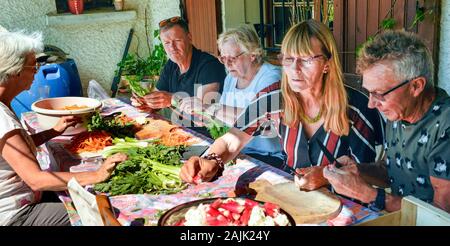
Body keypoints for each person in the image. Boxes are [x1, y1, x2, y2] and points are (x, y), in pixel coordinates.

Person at [179, 20, 384, 190]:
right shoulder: (275, 98)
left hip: (345, 207)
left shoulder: (356, 108)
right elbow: (234, 138)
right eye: (288, 59)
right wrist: (212, 159)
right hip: (292, 197)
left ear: (327, 64)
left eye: (306, 59)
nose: (294, 69)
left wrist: (326, 176)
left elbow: (371, 172)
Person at [0, 30, 127, 226]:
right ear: (15, 70)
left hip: (24, 200)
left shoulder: (4, 105)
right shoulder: (1, 117)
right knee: (98, 214)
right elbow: (36, 179)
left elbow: (16, 151)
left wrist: (53, 131)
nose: (36, 70)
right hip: (16, 214)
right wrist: (97, 174)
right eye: (33, 65)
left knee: (81, 197)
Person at [323, 30, 450, 213]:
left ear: (416, 86)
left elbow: (441, 216)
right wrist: (357, 170)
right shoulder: (400, 111)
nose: (371, 104)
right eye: (369, 92)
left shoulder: (445, 125)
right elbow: (390, 168)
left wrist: (369, 195)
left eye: (379, 93)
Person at [178, 25, 284, 166]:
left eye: (233, 58)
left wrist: (209, 109)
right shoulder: (232, 77)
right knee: (185, 160)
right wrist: (203, 115)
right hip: (238, 150)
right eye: (223, 58)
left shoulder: (271, 78)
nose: (227, 64)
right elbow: (224, 119)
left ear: (253, 54)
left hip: (268, 156)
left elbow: (263, 122)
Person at [131, 16, 226, 136]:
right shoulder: (171, 65)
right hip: (180, 132)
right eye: (167, 43)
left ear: (189, 38)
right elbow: (158, 100)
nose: (172, 47)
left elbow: (203, 118)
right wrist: (146, 104)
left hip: (208, 137)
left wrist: (172, 99)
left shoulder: (209, 65)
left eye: (177, 41)